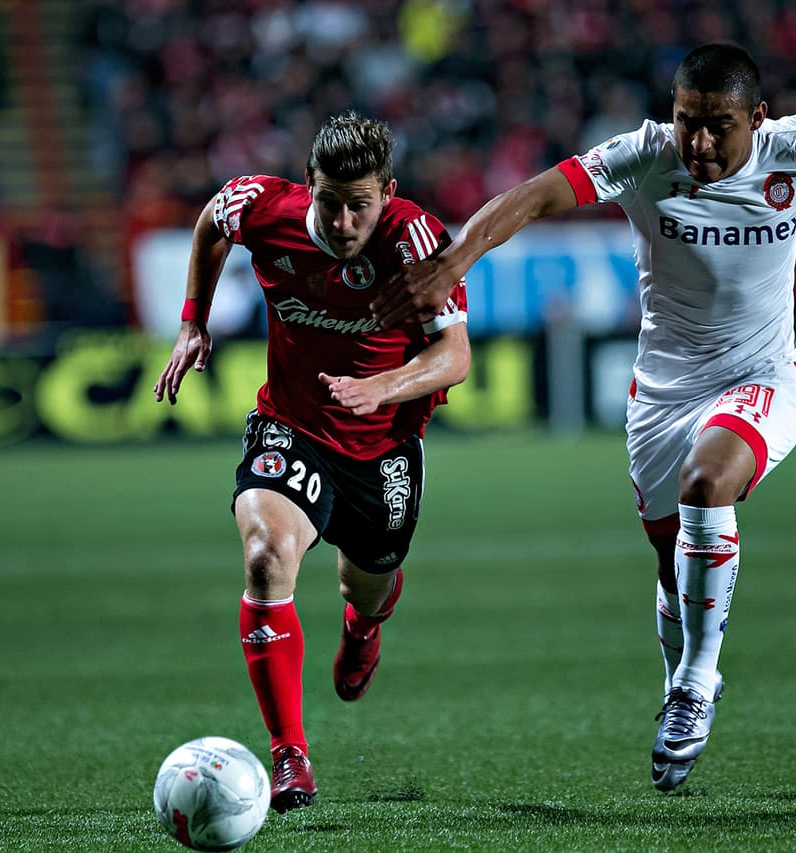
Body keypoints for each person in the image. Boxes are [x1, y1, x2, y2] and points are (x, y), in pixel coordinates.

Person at [372, 43, 796, 791]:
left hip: (762, 378)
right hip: (661, 396)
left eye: (718, 127)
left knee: (708, 484)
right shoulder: (646, 153)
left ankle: (695, 685)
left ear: (758, 120)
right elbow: (540, 194)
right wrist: (454, 260)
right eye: (688, 123)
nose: (700, 144)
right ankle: (686, 665)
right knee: (674, 568)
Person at [154, 112, 470, 812]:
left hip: (382, 444)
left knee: (370, 586)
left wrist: (379, 388)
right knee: (266, 556)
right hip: (290, 426)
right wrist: (192, 320)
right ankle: (290, 754)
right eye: (331, 200)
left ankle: (363, 628)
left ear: (387, 192)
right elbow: (212, 220)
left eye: (361, 203)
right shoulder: (264, 210)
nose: (345, 219)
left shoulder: (414, 239)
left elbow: (455, 356)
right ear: (310, 185)